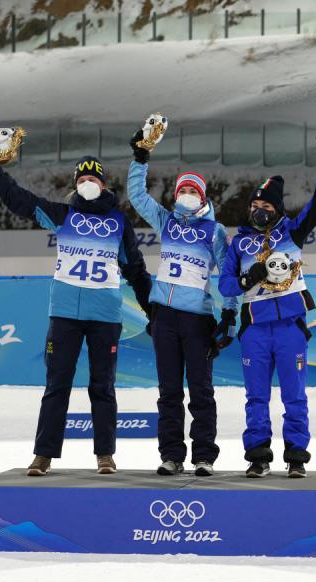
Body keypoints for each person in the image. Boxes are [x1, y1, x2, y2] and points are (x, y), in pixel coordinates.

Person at [0, 138, 152, 476]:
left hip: (104, 317)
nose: (88, 184)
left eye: (93, 179)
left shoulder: (118, 222)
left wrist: (153, 309)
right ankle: (44, 455)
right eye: (82, 180)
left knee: (102, 386)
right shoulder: (63, 216)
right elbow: (19, 200)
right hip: (65, 316)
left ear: (103, 184)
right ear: (76, 185)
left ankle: (105, 454)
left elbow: (136, 269)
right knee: (57, 385)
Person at [218, 124, 316, 479]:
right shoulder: (238, 244)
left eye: (265, 206)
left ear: (276, 209)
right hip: (255, 331)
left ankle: (297, 456)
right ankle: (258, 455)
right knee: (256, 398)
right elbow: (226, 286)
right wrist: (247, 278)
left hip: (290, 328)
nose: (258, 210)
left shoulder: (292, 233)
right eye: (254, 205)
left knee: (294, 398)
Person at [127, 130, 238, 477]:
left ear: (202, 197)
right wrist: (140, 157)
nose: (187, 195)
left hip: (196, 321)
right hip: (164, 318)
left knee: (201, 391)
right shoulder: (166, 220)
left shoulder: (215, 231)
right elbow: (135, 195)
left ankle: (204, 455)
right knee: (168, 392)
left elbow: (229, 275)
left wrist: (230, 314)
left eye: (193, 191)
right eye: (183, 191)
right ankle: (172, 455)